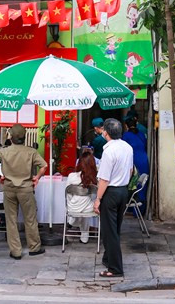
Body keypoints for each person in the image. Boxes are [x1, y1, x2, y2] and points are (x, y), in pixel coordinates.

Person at [0, 124, 48, 259]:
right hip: (26, 189)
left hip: (9, 188)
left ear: (11, 137)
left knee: (11, 220)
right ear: (24, 137)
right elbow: (44, 166)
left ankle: (15, 251)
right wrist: (37, 177)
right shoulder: (31, 152)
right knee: (30, 219)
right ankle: (34, 247)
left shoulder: (3, 151)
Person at [93, 118, 133, 278]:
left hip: (111, 192)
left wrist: (98, 199)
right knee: (115, 228)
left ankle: (115, 268)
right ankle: (108, 258)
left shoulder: (109, 151)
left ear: (106, 133)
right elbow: (130, 170)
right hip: (123, 190)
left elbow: (104, 179)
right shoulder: (127, 147)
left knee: (109, 231)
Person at [67, 149, 98, 243]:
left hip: (72, 206)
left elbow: (68, 194)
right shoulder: (94, 178)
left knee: (82, 209)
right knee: (87, 208)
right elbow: (97, 195)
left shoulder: (71, 176)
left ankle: (72, 222)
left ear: (79, 163)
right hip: (88, 208)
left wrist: (70, 204)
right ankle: (84, 237)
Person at [122, 116, 149, 209]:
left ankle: (133, 208)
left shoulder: (126, 135)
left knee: (133, 184)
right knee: (142, 184)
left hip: (133, 160)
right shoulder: (141, 134)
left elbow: (123, 150)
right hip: (144, 159)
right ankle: (142, 208)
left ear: (126, 126)